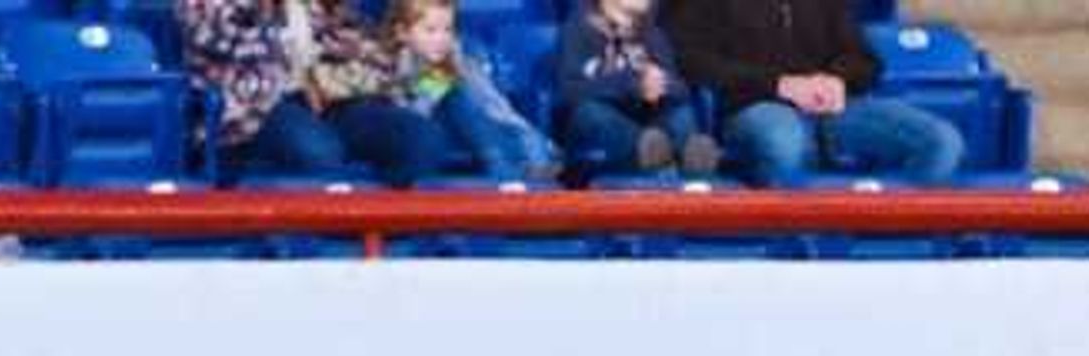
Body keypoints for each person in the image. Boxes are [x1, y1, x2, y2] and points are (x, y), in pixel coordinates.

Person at [664, 0, 964, 186]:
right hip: (753, 103)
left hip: (831, 109)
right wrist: (780, 85)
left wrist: (837, 80)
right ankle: (792, 253)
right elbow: (690, 60)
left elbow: (865, 61)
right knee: (785, 143)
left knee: (941, 142)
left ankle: (883, 246)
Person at [179, 0, 446, 186]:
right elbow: (212, 35)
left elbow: (348, 39)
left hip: (328, 100)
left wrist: (407, 52)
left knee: (419, 136)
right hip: (251, 107)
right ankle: (319, 249)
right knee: (317, 150)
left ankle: (396, 239)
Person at [386, 0, 560, 181]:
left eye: (448, 30)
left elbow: (497, 109)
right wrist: (437, 81)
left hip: (486, 136)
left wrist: (531, 138)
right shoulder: (392, 66)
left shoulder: (460, 64)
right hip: (422, 139)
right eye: (430, 31)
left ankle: (528, 162)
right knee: (455, 93)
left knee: (463, 88)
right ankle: (517, 166)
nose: (441, 39)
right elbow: (411, 116)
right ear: (402, 33)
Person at [556, 0, 721, 179]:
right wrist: (632, 85)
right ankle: (663, 154)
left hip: (651, 123)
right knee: (591, 114)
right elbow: (569, 91)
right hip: (610, 126)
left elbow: (681, 89)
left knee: (682, 114)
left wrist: (661, 84)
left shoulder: (652, 35)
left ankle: (687, 155)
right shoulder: (579, 28)